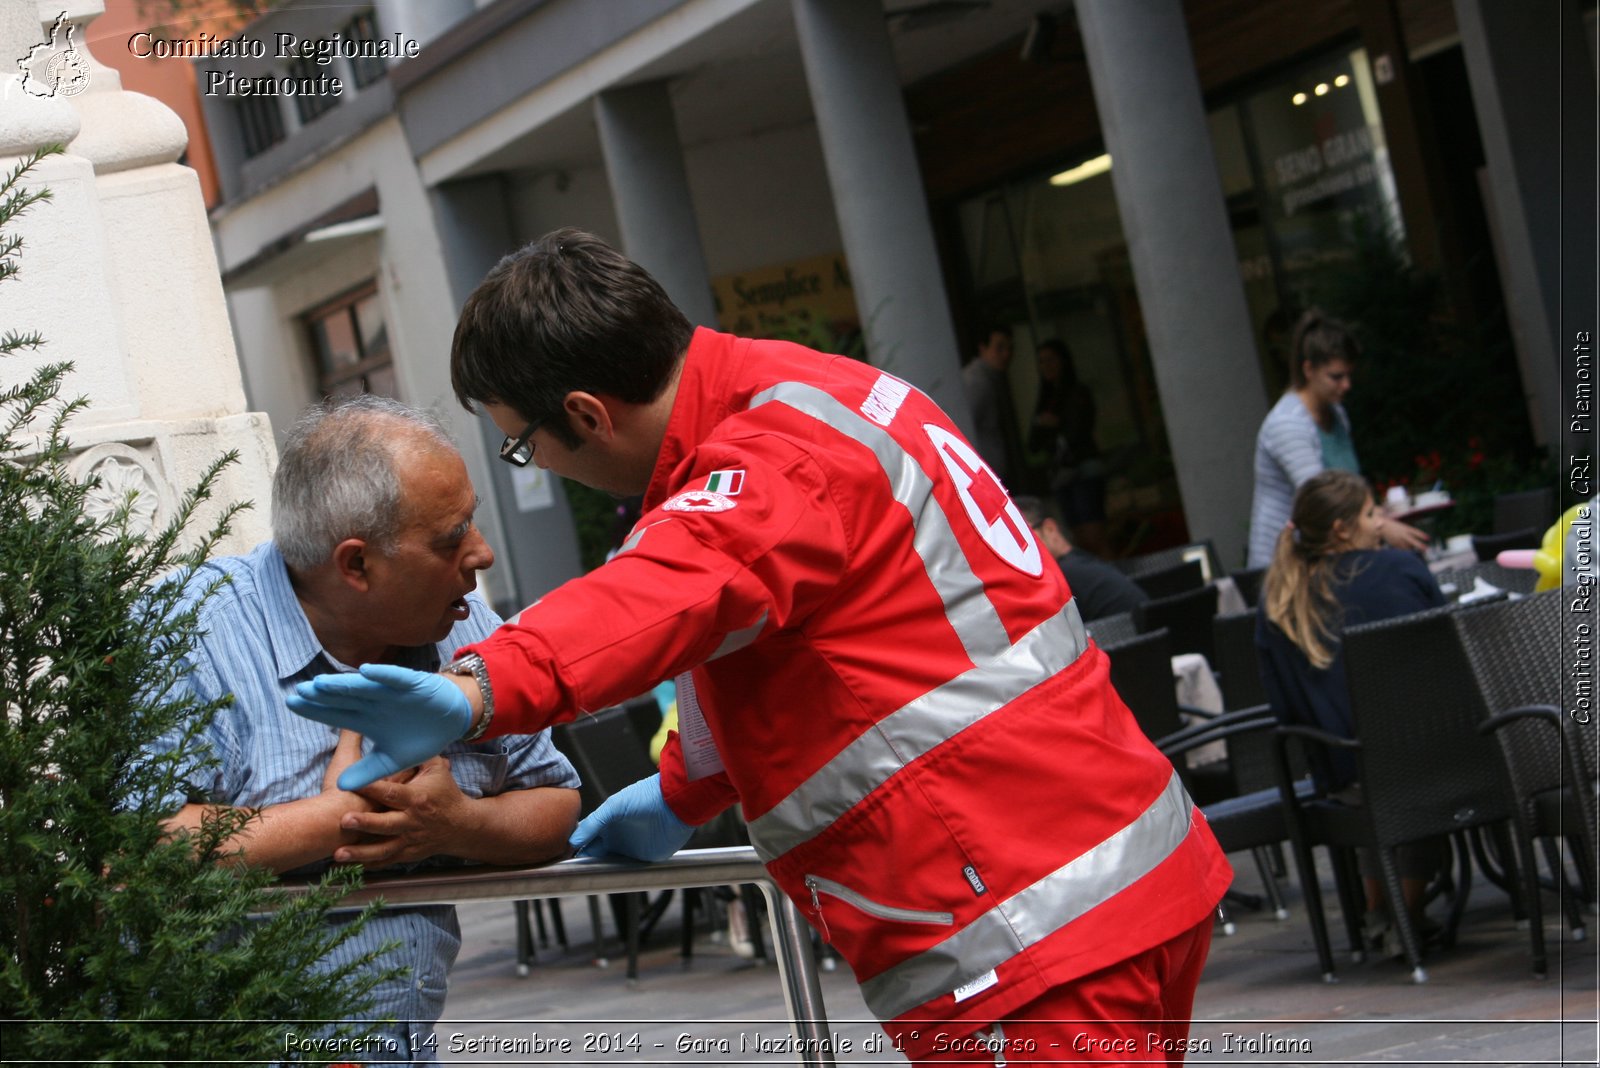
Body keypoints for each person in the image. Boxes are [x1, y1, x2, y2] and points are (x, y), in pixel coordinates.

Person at [288, 229, 1233, 1065]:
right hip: (1108, 876)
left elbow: (670, 587)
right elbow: (804, 648)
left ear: (586, 412)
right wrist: (683, 789)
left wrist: (477, 688)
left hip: (1023, 924)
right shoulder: (811, 396)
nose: (543, 471)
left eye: (526, 447)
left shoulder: (768, 455)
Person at [149, 396, 581, 1063]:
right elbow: (137, 851)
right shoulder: (193, 631)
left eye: (474, 522)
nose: (483, 554)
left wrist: (455, 824)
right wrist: (339, 818)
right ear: (355, 565)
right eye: (451, 537)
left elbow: (557, 805)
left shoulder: (463, 627)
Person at [1254, 469, 1447, 953]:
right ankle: (1402, 917)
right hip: (1432, 758)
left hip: (1344, 773)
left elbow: (1284, 708)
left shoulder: (1279, 604)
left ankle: (1384, 914)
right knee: (1422, 768)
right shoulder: (1400, 569)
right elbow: (1449, 655)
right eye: (1370, 513)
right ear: (1342, 529)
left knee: (1375, 768)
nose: (1380, 521)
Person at [1246, 309, 1428, 568]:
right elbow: (1323, 499)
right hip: (1285, 567)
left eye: (1348, 375)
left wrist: (1378, 512)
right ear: (1308, 369)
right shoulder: (1287, 424)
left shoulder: (1337, 413)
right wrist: (1382, 525)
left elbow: (1348, 485)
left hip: (1332, 555)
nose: (1346, 385)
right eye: (1336, 376)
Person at [1028, 339, 1108, 555]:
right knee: (1078, 538)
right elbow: (1032, 443)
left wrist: (1056, 423)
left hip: (1083, 466)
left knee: (1093, 533)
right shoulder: (1045, 398)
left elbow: (1080, 429)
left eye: (1051, 360)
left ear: (1063, 361)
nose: (1046, 366)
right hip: (1061, 473)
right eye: (1041, 362)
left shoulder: (1077, 392)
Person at [1014, 494, 1146, 622]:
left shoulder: (1065, 575)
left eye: (1023, 535)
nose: (1017, 547)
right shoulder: (1078, 563)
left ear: (1050, 529)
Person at [961, 323, 1020, 486]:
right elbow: (965, 426)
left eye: (1010, 348)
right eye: (999, 348)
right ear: (983, 348)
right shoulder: (976, 381)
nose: (1006, 354)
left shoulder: (989, 378)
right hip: (985, 475)